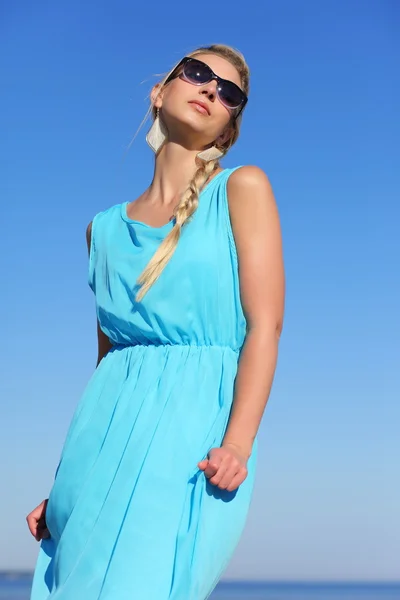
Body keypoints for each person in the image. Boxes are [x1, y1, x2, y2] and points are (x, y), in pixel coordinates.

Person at [26, 43, 285, 600]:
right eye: (198, 74)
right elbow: (106, 364)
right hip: (97, 448)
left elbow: (266, 327)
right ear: (159, 92)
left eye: (230, 92)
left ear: (228, 122)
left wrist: (237, 444)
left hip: (194, 438)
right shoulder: (101, 231)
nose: (212, 89)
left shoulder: (241, 189)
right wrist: (62, 483)